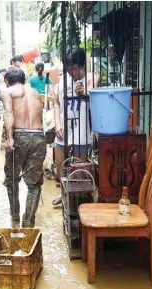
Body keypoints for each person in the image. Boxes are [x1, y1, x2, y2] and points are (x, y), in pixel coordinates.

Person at [52, 48, 100, 206]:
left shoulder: (92, 78)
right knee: (60, 168)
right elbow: (57, 103)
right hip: (64, 129)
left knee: (80, 170)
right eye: (68, 68)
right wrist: (57, 123)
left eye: (74, 68)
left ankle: (78, 199)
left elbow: (92, 96)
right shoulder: (62, 81)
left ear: (82, 66)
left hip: (82, 131)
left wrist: (83, 92)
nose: (71, 72)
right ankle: (64, 194)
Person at [1, 68, 46, 228]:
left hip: (20, 136)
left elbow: (8, 113)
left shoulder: (8, 91)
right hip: (39, 136)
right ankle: (28, 223)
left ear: (7, 81)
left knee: (12, 179)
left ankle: (14, 219)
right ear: (24, 79)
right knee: (34, 184)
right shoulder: (34, 92)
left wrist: (9, 138)